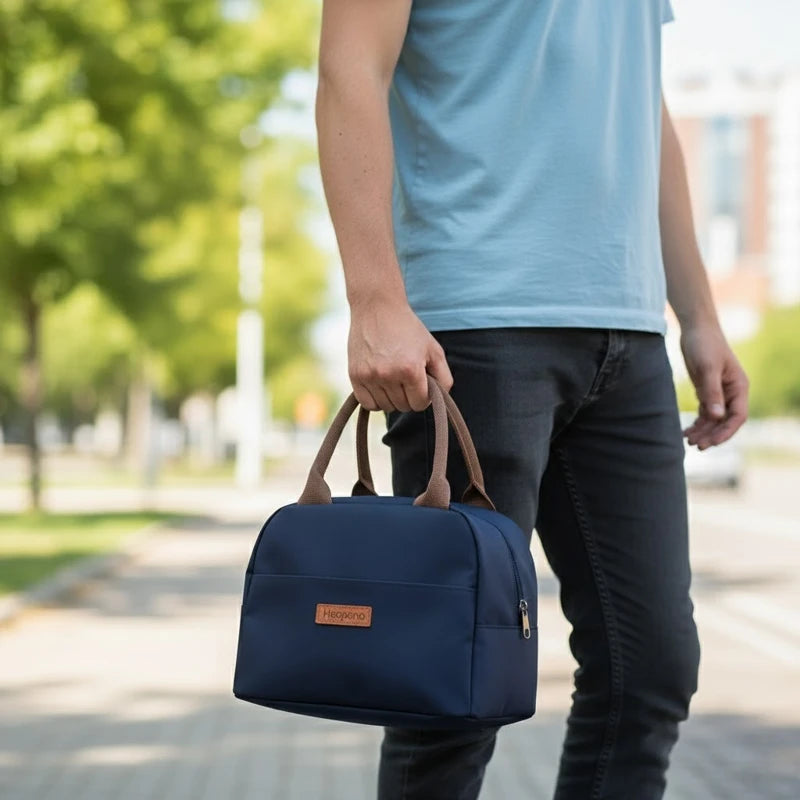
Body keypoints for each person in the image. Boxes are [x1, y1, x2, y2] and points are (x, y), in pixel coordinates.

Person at [315, 1, 749, 798]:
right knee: (451, 689)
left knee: (649, 668)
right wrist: (374, 298)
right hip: (473, 328)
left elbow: (640, 112)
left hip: (627, 328)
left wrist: (700, 316)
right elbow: (352, 66)